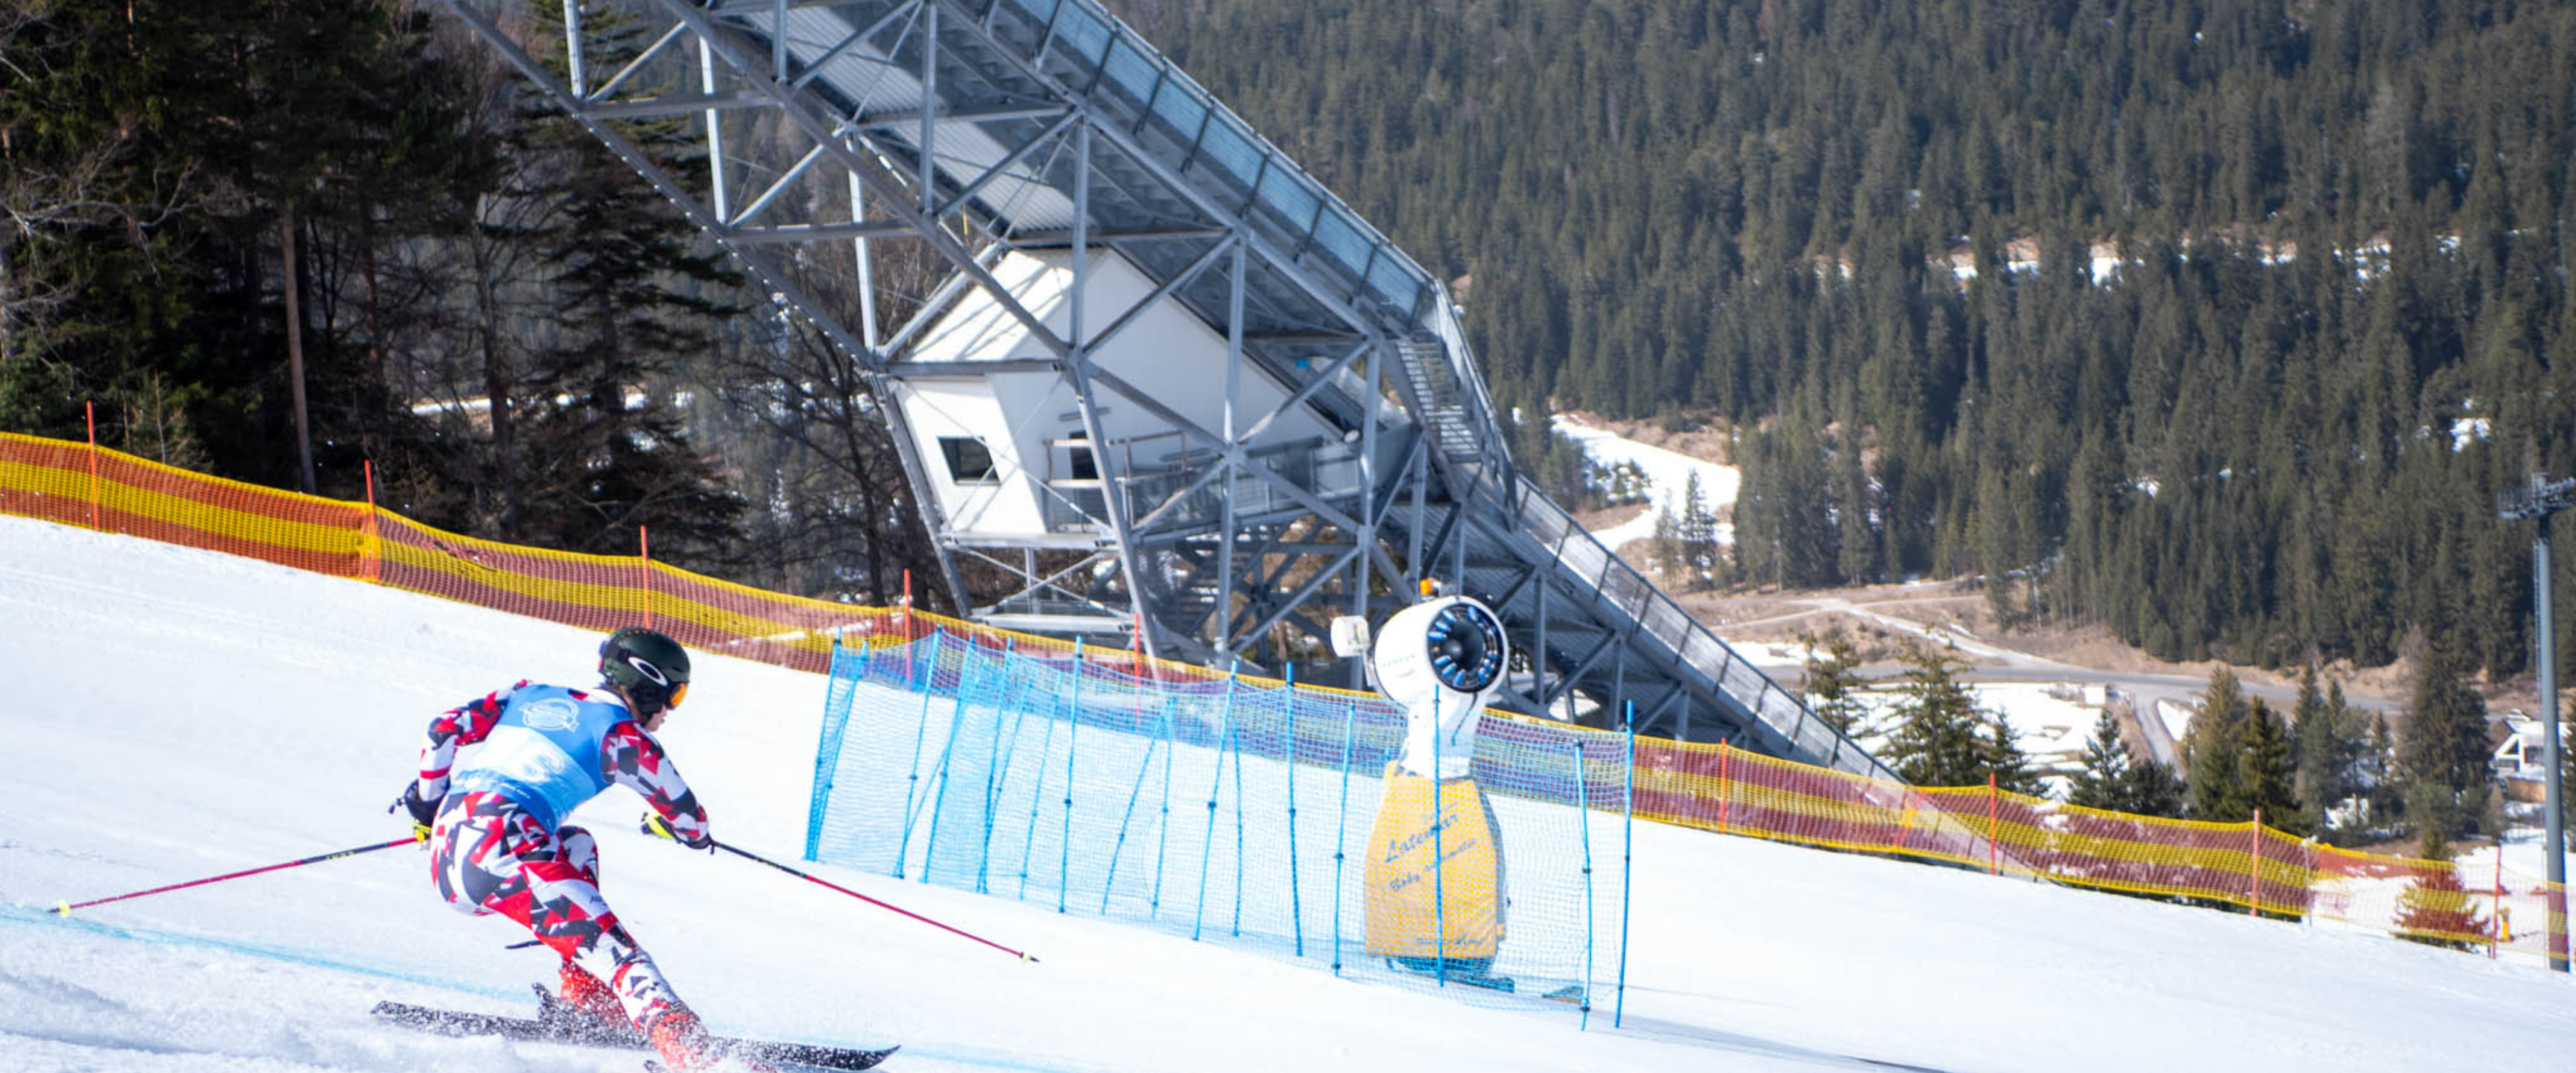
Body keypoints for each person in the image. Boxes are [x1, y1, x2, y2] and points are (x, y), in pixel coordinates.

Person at [393, 626, 767, 1073]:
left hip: (452, 858)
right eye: (675, 696)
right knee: (622, 957)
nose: (670, 712)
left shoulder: (528, 693)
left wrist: (429, 810)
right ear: (649, 687)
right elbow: (691, 821)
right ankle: (700, 1061)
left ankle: (587, 998)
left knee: (576, 845)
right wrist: (679, 831)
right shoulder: (623, 738)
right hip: (507, 847)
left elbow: (442, 731)